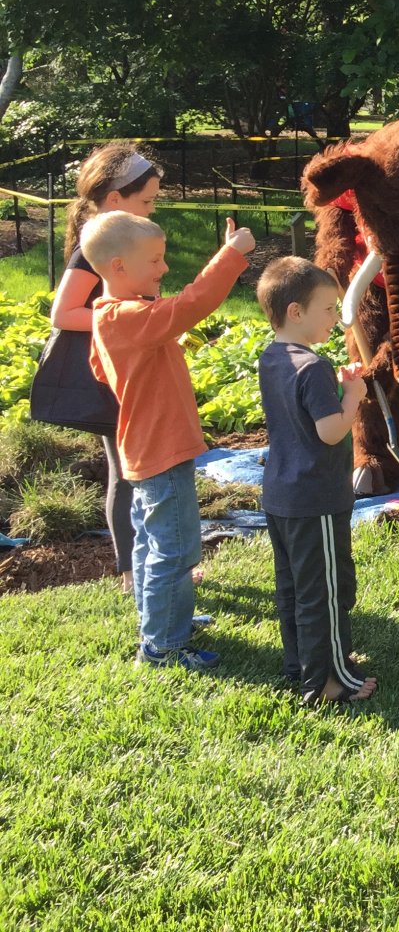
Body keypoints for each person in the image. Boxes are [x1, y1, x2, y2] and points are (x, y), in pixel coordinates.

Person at [83, 210, 255, 669]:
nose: (164, 269)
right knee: (176, 548)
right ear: (118, 266)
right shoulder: (127, 316)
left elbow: (102, 370)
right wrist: (230, 256)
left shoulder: (110, 317)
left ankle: (159, 619)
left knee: (149, 542)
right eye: (155, 261)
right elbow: (189, 307)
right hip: (161, 452)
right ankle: (162, 645)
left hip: (145, 448)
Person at [255, 256, 375, 705]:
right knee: (324, 591)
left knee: (293, 588)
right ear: (296, 312)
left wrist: (336, 391)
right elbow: (330, 431)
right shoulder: (314, 367)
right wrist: (353, 396)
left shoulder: (273, 357)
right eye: (328, 309)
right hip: (316, 500)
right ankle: (330, 680)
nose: (335, 318)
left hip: (281, 495)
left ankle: (301, 664)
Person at [47, 143, 162, 592]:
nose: (153, 209)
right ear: (116, 200)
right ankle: (133, 571)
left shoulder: (120, 237)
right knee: (126, 469)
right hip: (107, 375)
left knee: (137, 467)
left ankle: (149, 562)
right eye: (148, 201)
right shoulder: (94, 248)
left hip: (125, 367)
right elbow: (63, 313)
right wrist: (130, 319)